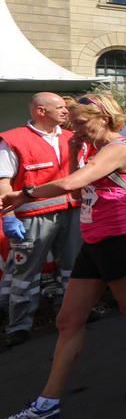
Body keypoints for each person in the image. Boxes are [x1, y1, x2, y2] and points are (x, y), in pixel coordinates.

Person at [0, 94, 126, 419]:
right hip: (95, 242)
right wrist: (72, 153)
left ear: (104, 118)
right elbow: (75, 195)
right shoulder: (93, 150)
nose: (75, 130)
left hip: (120, 240)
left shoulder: (119, 148)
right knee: (68, 321)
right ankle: (47, 405)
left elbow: (70, 184)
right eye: (72, 124)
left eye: (81, 123)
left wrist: (23, 194)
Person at [0, 93, 81, 348]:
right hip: (32, 217)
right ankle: (19, 326)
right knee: (25, 273)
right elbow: (3, 182)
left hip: (71, 210)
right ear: (40, 111)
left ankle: (69, 314)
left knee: (71, 268)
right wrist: (8, 216)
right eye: (60, 107)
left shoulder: (70, 137)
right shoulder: (13, 139)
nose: (66, 111)